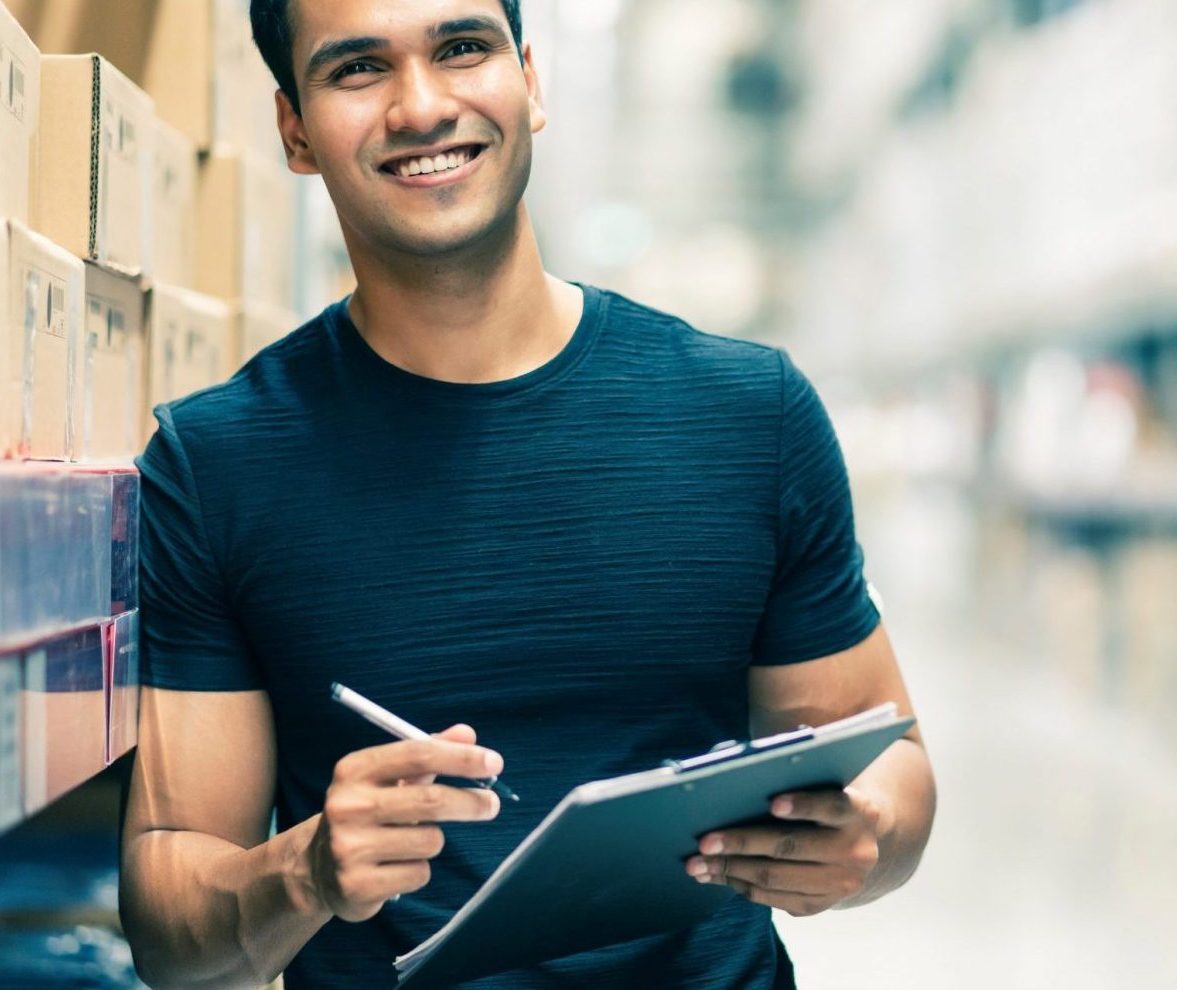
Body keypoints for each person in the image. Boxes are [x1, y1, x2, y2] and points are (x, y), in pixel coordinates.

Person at [117, 1, 937, 986]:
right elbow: (168, 913)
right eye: (358, 69)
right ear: (294, 130)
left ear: (531, 83)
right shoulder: (214, 464)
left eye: (462, 49)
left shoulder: (749, 414)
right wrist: (302, 871)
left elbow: (890, 761)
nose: (422, 107)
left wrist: (866, 835)